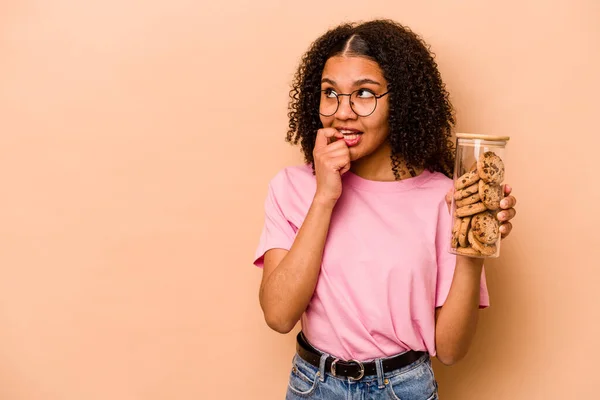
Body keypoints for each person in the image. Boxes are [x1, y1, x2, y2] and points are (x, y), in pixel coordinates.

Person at [252, 19, 517, 399]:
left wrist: (472, 246)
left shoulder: (442, 198)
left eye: (364, 93)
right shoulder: (293, 188)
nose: (343, 112)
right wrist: (325, 197)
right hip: (313, 387)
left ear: (401, 101)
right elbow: (278, 316)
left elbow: (452, 350)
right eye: (330, 93)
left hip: (404, 389)